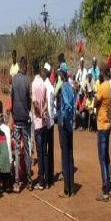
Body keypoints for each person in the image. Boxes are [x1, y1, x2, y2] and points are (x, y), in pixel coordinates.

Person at [11, 56, 33, 192]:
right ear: (24, 66)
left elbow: (12, 98)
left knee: (17, 150)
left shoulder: (14, 80)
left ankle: (17, 182)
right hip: (24, 119)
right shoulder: (26, 81)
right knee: (27, 149)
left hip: (17, 118)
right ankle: (30, 182)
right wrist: (27, 110)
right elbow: (28, 100)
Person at [94, 63, 111, 202]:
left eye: (99, 71)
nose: (98, 73)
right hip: (107, 124)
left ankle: (105, 191)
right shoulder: (109, 86)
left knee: (102, 158)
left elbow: (95, 102)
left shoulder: (102, 87)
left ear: (102, 72)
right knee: (106, 157)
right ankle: (110, 187)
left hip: (101, 125)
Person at [57, 63, 75, 198]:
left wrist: (63, 117)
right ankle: (71, 188)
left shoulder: (63, 87)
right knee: (70, 154)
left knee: (65, 155)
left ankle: (66, 189)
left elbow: (68, 105)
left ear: (62, 74)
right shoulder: (71, 87)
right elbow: (73, 104)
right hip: (70, 125)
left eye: (60, 73)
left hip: (65, 124)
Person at [31, 60, 47, 190]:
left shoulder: (34, 84)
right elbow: (46, 101)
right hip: (44, 122)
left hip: (37, 122)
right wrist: (44, 111)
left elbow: (35, 103)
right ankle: (45, 179)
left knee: (40, 152)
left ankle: (41, 181)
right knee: (44, 151)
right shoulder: (43, 83)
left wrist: (40, 112)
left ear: (32, 70)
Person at [43, 63, 55, 186]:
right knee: (50, 149)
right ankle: (50, 176)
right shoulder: (51, 86)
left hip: (46, 122)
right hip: (51, 122)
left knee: (45, 150)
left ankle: (46, 177)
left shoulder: (45, 86)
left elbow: (46, 105)